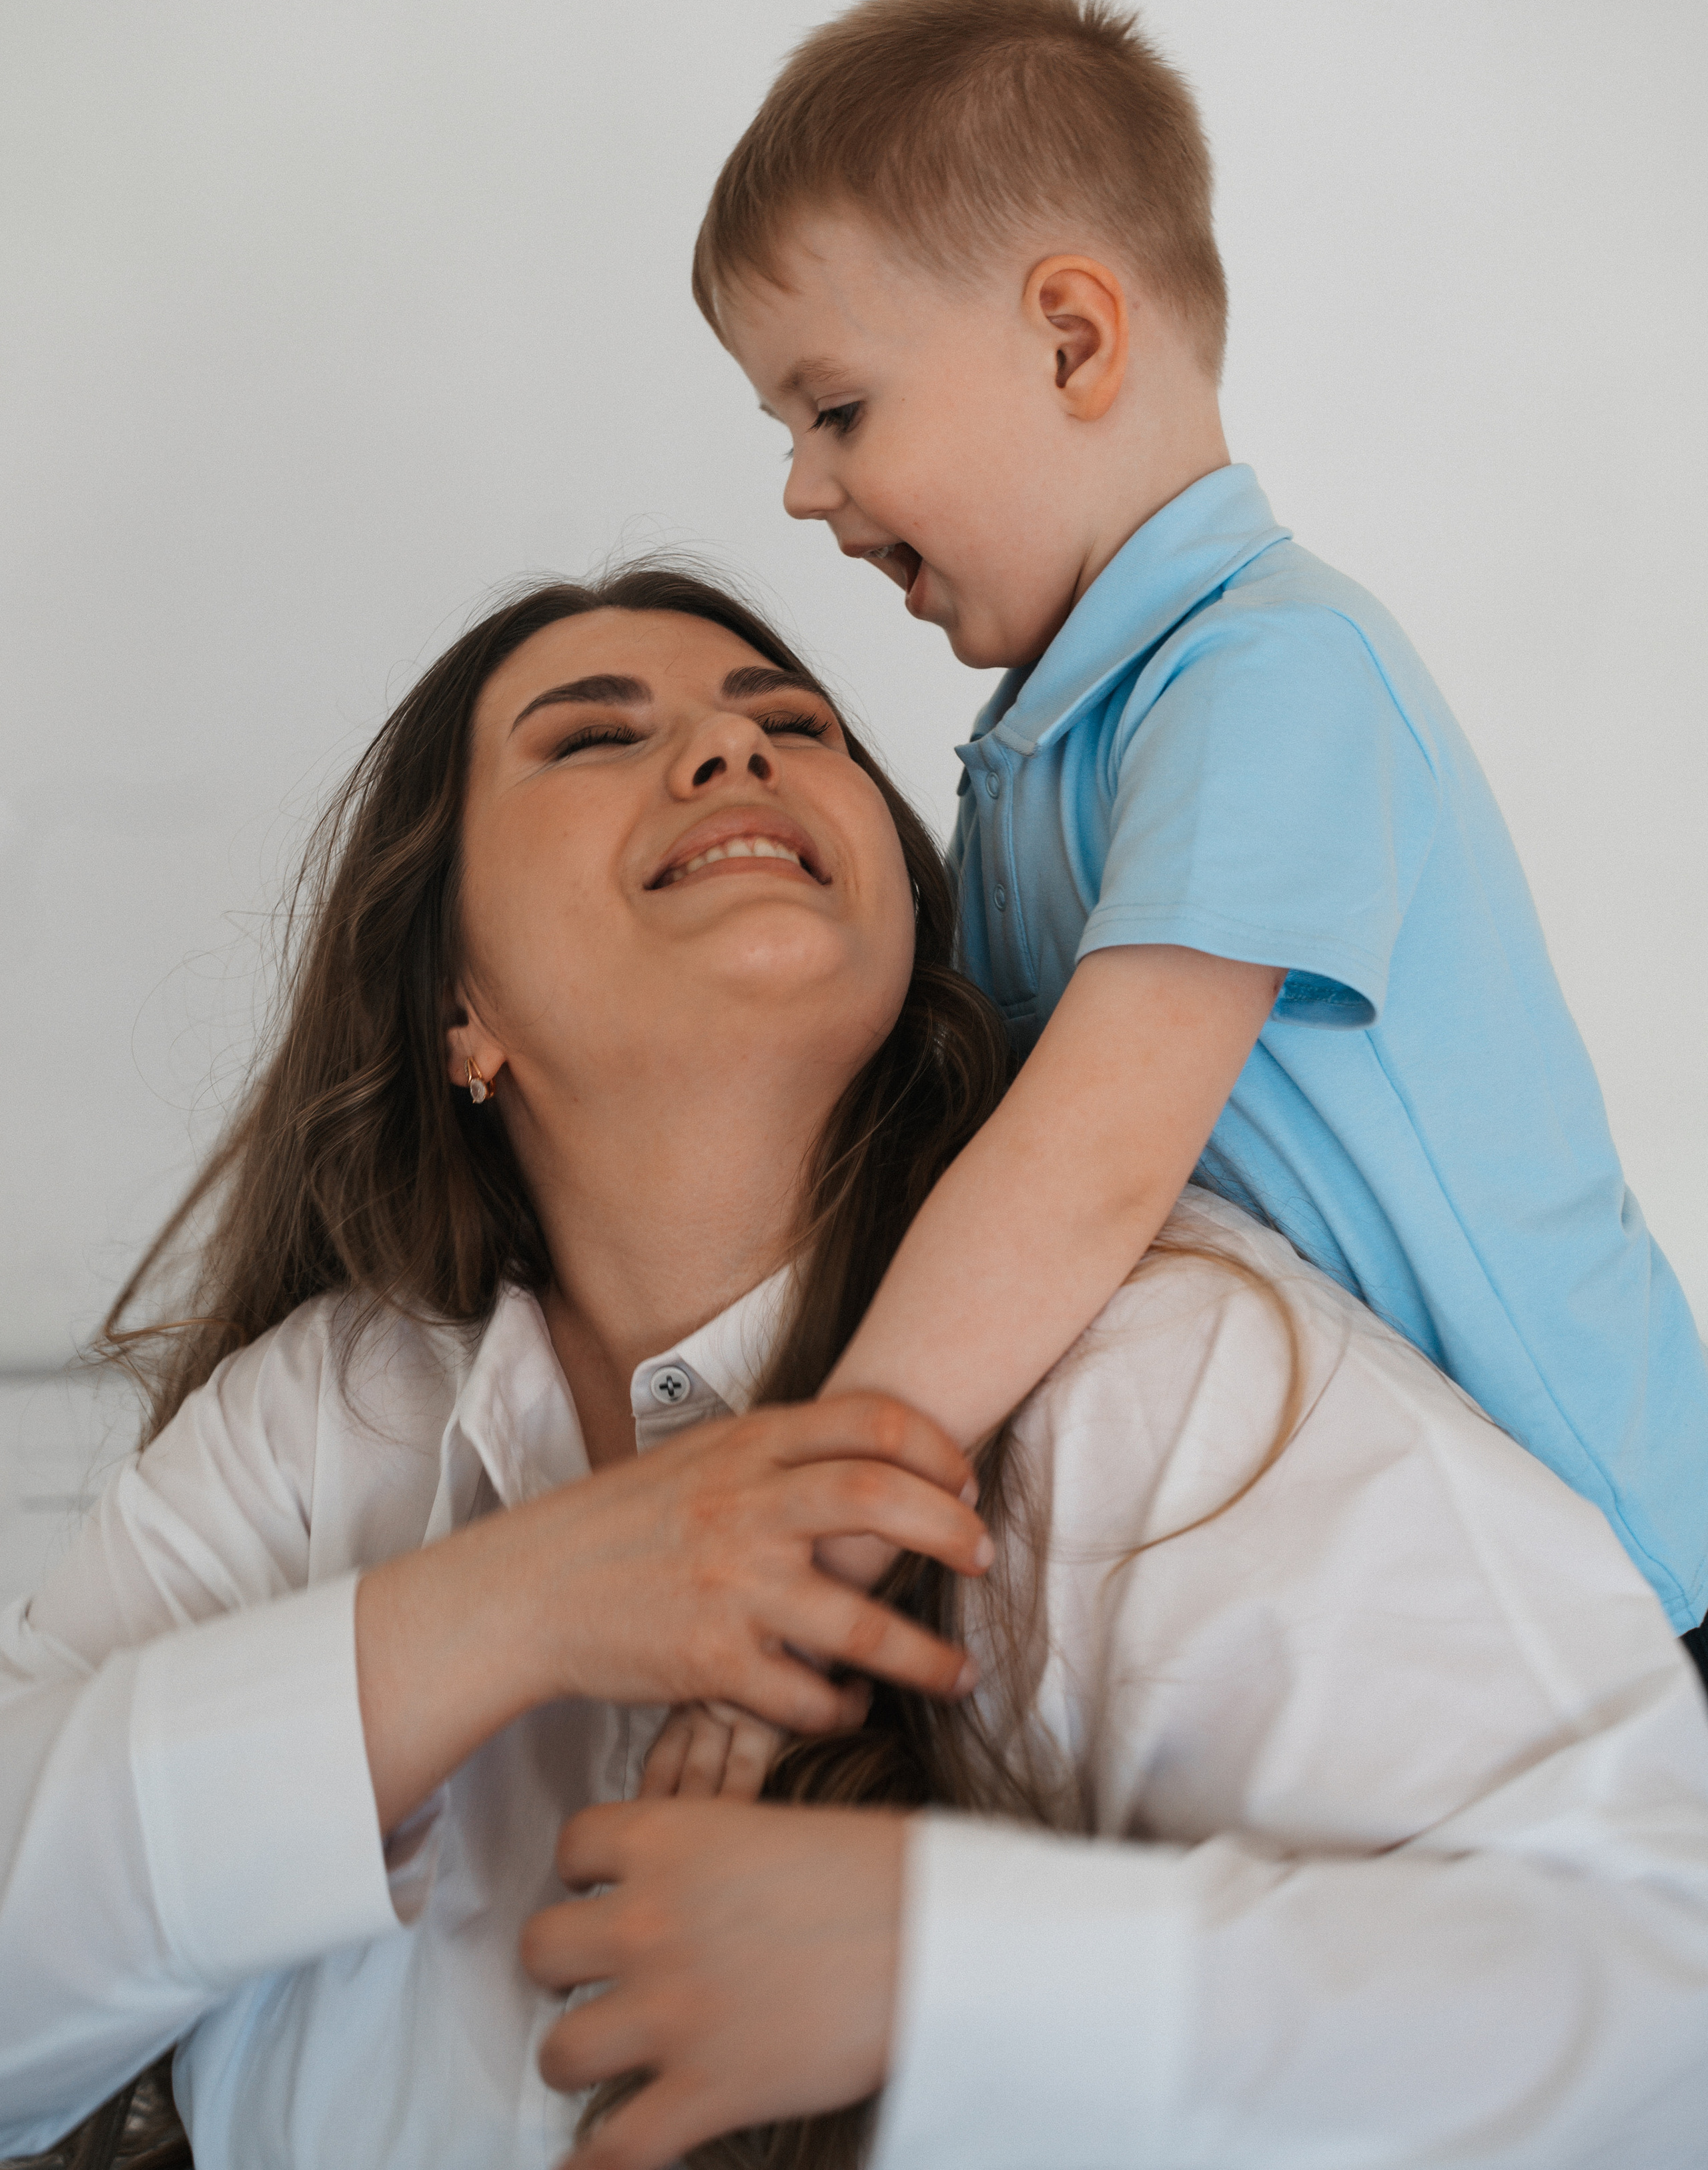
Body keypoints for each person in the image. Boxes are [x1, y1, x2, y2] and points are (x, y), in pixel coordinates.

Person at [3, 566, 1707, 2170]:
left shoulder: (1166, 1372)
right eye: (594, 737)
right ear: (458, 1007)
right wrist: (497, 1610)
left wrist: (934, 1965)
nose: (731, 744)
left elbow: (1657, 1992)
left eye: (794, 725)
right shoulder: (319, 1429)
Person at [692, 0, 1708, 1656]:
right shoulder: (1034, 744)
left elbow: (1078, 1176)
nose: (802, 491)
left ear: (1072, 338)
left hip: (1617, 1579)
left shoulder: (1268, 677)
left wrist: (817, 1531)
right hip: (1369, 1595)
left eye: (837, 411)